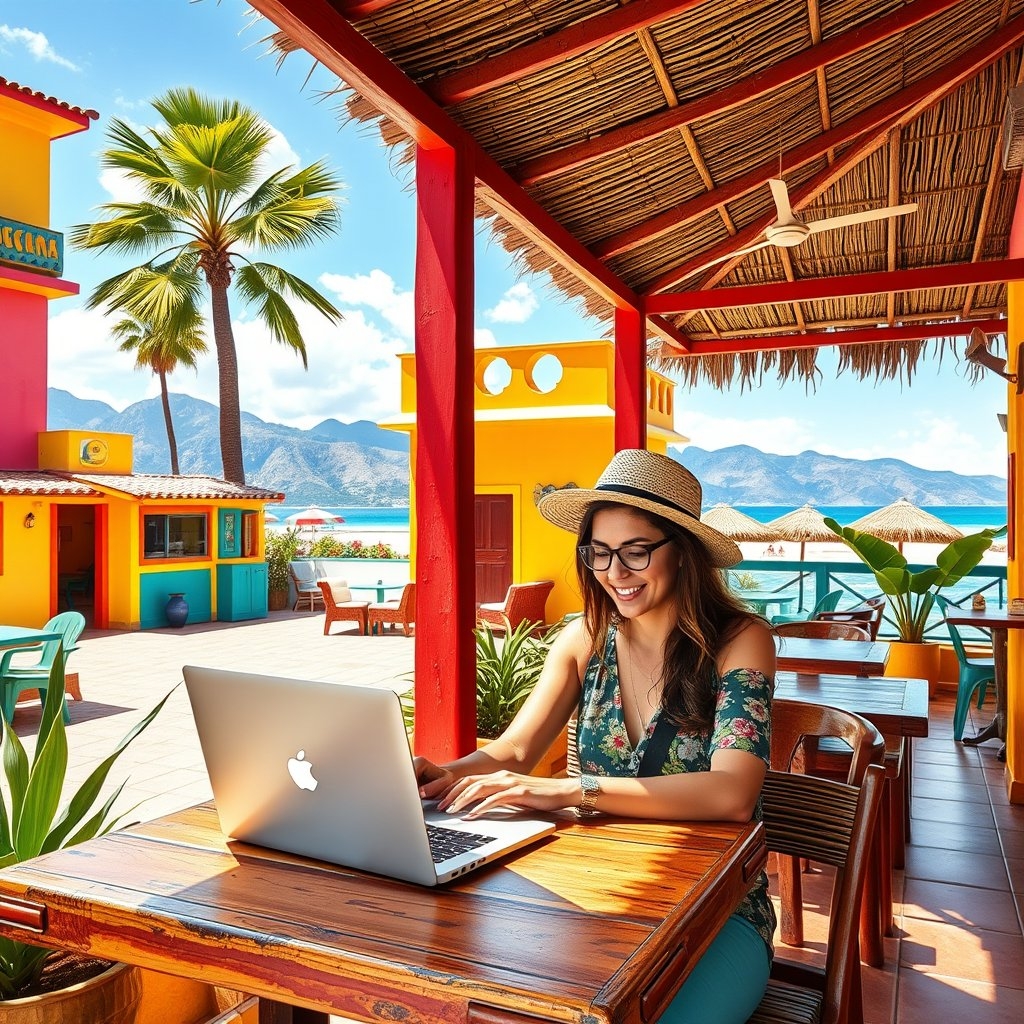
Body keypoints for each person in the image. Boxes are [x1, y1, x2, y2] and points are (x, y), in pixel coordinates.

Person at [415, 449, 776, 1024]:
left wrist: (571, 792)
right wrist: (444, 773)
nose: (615, 573)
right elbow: (514, 750)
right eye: (601, 553)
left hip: (716, 913)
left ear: (682, 553)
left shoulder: (740, 641)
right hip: (597, 891)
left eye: (636, 552)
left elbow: (732, 795)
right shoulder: (584, 637)